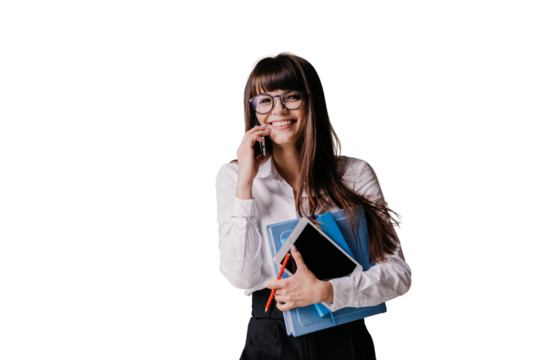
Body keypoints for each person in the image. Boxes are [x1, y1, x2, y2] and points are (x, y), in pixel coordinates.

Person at [215, 50, 412, 360]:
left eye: (291, 96)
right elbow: (240, 278)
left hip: (344, 332)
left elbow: (399, 276)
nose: (278, 110)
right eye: (265, 100)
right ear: (253, 111)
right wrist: (245, 184)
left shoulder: (354, 173)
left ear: (312, 101)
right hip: (272, 336)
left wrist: (327, 291)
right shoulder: (233, 177)